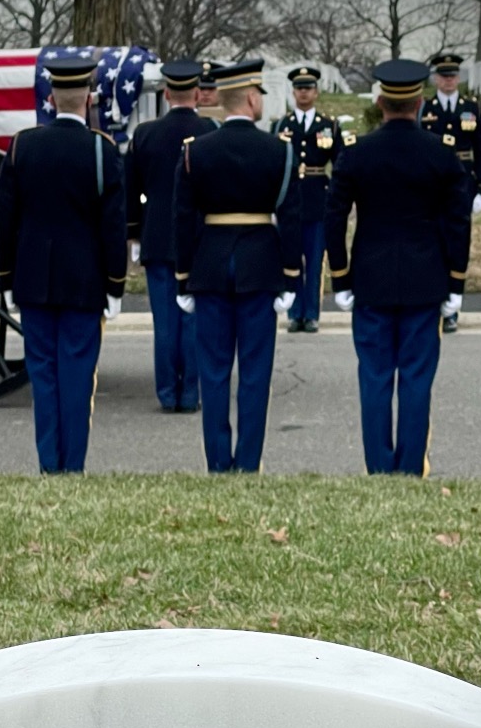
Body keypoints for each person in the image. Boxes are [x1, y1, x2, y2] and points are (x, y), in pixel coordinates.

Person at [325, 59, 472, 477]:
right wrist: (456, 282)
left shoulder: (356, 155)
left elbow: (334, 218)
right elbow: (458, 223)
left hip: (370, 278)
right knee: (416, 379)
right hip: (425, 281)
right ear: (421, 103)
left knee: (374, 377)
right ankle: (409, 468)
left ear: (379, 102)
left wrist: (340, 277)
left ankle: (378, 467)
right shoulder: (441, 156)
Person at [0, 57, 127, 474]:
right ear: (89, 99)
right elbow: (113, 227)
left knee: (44, 375)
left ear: (50, 99)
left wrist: (5, 276)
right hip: (84, 281)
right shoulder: (101, 150)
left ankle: (48, 464)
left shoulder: (21, 146)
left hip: (33, 278)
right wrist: (116, 284)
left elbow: (6, 220)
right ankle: (73, 466)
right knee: (76, 376)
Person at [174, 58, 302, 473]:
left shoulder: (195, 151)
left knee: (212, 373)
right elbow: (292, 216)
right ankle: (248, 463)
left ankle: (217, 462)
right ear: (250, 98)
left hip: (210, 266)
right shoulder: (279, 150)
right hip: (260, 266)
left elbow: (183, 218)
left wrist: (183, 278)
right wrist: (290, 275)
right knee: (254, 373)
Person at [125, 60, 216, 413]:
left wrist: (134, 234)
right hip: (199, 237)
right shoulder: (210, 130)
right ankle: (191, 392)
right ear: (196, 93)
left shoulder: (144, 134)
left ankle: (167, 393)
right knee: (193, 319)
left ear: (165, 94)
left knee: (164, 322)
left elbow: (130, 192)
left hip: (158, 235)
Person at [270, 65, 344, 333]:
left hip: (317, 200)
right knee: (290, 258)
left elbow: (341, 166)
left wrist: (336, 198)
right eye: (299, 88)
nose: (304, 93)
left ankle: (311, 313)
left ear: (316, 91)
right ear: (293, 92)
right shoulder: (281, 125)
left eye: (308, 88)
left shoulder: (329, 126)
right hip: (289, 200)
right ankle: (294, 312)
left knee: (314, 261)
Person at [420, 53, 481, 333]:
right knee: (434, 244)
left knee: (457, 244)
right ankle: (435, 299)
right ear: (436, 78)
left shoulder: (471, 108)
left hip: (462, 184)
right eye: (443, 75)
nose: (448, 80)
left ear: (458, 78)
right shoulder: (426, 108)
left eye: (452, 75)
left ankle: (453, 307)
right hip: (433, 185)